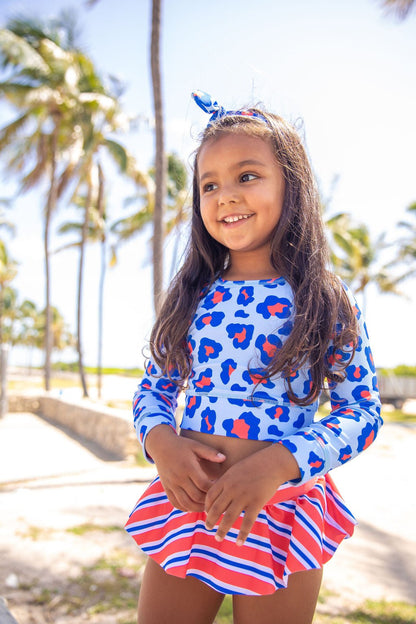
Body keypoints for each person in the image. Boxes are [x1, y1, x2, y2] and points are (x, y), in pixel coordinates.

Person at [125, 90, 382, 624]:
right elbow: (154, 389)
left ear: (292, 185)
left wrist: (277, 464)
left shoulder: (324, 297)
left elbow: (362, 411)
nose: (225, 196)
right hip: (188, 508)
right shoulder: (191, 296)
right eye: (209, 184)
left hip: (279, 511)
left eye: (247, 176)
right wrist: (162, 444)